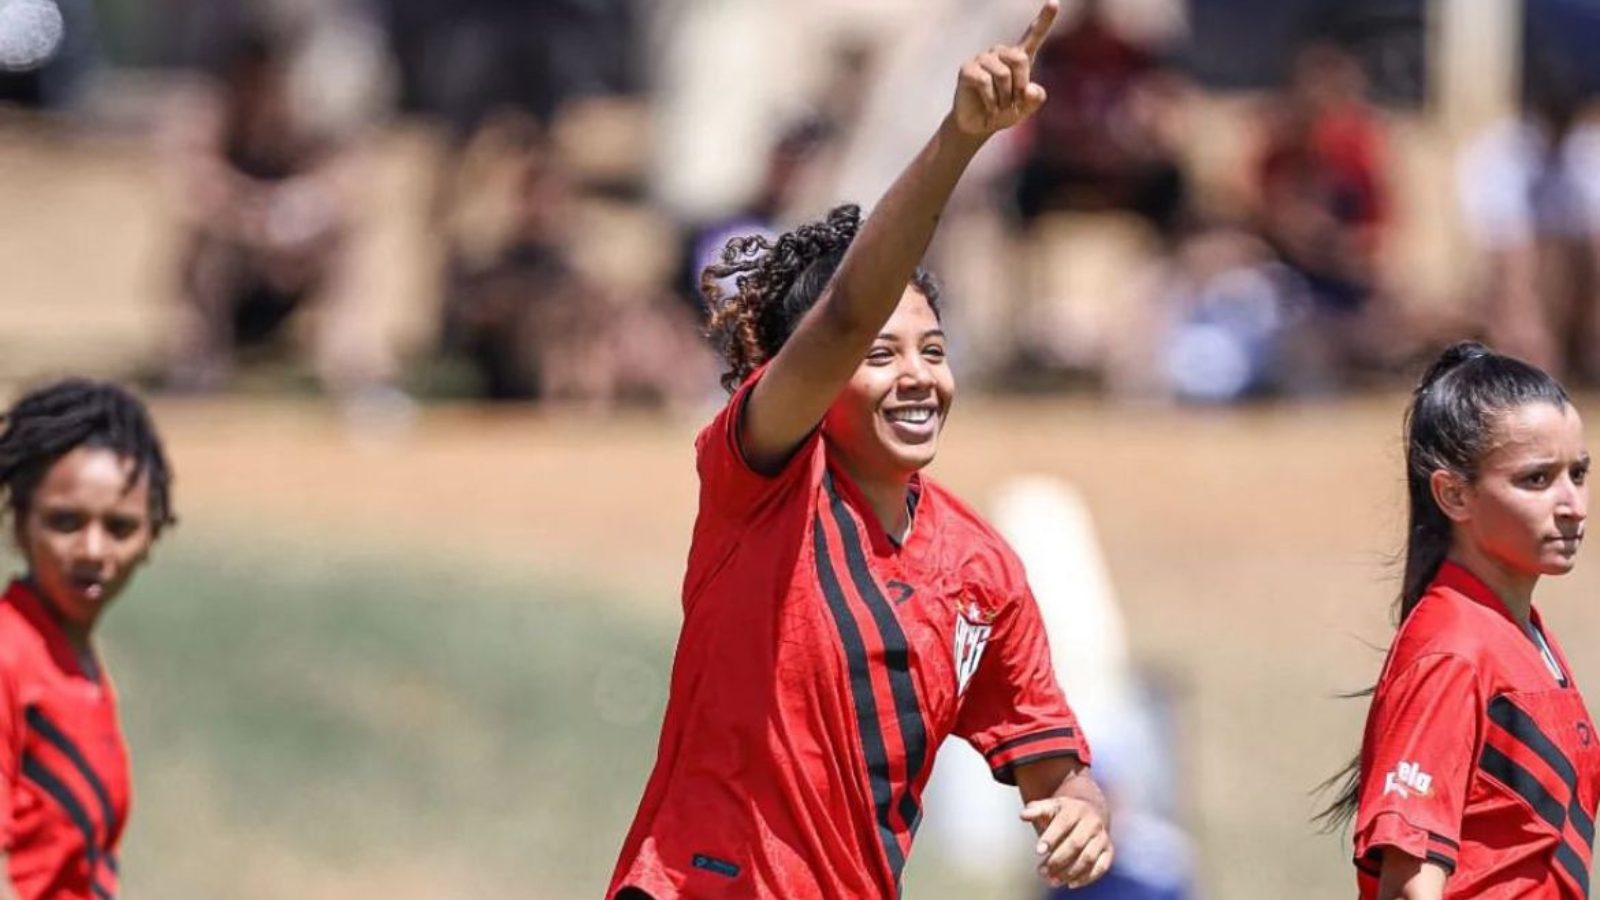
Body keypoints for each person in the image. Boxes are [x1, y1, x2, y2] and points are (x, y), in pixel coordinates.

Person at [608, 4, 1112, 897]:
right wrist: (958, 142)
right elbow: (843, 312)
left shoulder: (980, 570)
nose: (917, 376)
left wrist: (1082, 809)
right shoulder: (762, 478)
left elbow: (1050, 757)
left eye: (933, 350)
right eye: (879, 356)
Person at [1317, 341, 1597, 898]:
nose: (1573, 505)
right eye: (1536, 480)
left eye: (1578, 473)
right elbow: (1408, 886)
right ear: (1453, 494)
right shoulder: (1454, 649)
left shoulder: (1519, 632)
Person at [0, 379, 174, 900]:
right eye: (65, 521)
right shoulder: (10, 655)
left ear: (152, 536)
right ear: (19, 525)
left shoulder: (72, 658)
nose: (93, 550)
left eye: (120, 527)